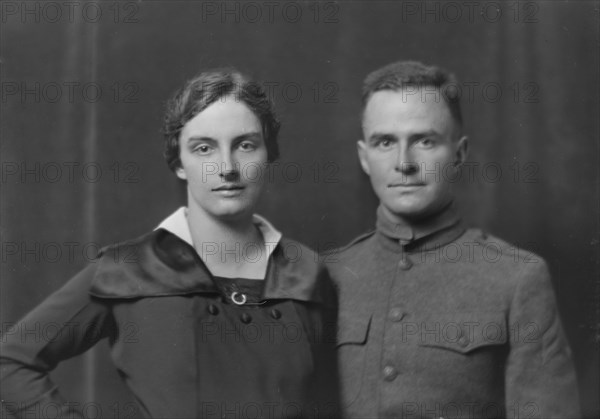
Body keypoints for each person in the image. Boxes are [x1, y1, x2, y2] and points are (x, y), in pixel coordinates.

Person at [1, 69, 339, 419]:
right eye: (204, 148)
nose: (227, 167)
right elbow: (11, 362)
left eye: (245, 145)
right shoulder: (129, 267)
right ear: (179, 162)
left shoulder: (307, 270)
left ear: (268, 155)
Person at [327, 61, 580, 419]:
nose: (404, 163)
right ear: (364, 158)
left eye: (424, 141)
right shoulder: (328, 276)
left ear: (459, 154)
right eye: (385, 142)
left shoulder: (516, 278)